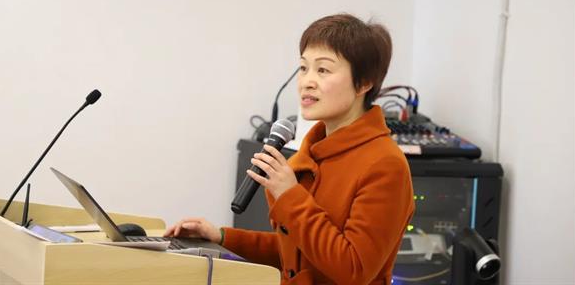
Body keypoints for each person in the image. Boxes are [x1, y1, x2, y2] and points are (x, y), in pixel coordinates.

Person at [164, 14, 414, 285]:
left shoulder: (385, 164)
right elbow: (299, 253)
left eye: (323, 70)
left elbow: (353, 269)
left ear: (364, 83)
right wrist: (221, 237)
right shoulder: (313, 153)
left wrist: (290, 195)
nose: (307, 81)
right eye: (303, 68)